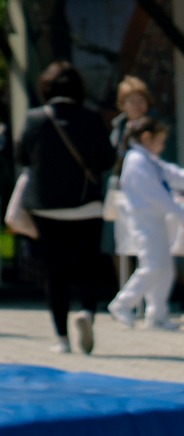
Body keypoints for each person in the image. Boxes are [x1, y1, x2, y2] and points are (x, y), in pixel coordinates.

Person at [17, 60, 114, 355]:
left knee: (55, 272)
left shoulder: (36, 118)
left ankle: (61, 338)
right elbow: (107, 159)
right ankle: (87, 311)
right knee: (87, 266)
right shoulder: (91, 119)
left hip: (46, 208)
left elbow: (22, 156)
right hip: (86, 206)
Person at [107, 117, 184, 330]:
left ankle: (157, 314)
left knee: (164, 269)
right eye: (160, 141)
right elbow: (155, 194)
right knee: (153, 266)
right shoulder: (137, 161)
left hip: (154, 220)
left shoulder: (148, 160)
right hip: (144, 221)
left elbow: (177, 175)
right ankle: (122, 303)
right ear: (147, 138)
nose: (162, 146)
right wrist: (181, 214)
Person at [109, 77, 155, 165]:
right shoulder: (120, 125)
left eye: (141, 100)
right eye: (132, 101)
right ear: (122, 105)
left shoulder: (153, 124)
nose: (137, 105)